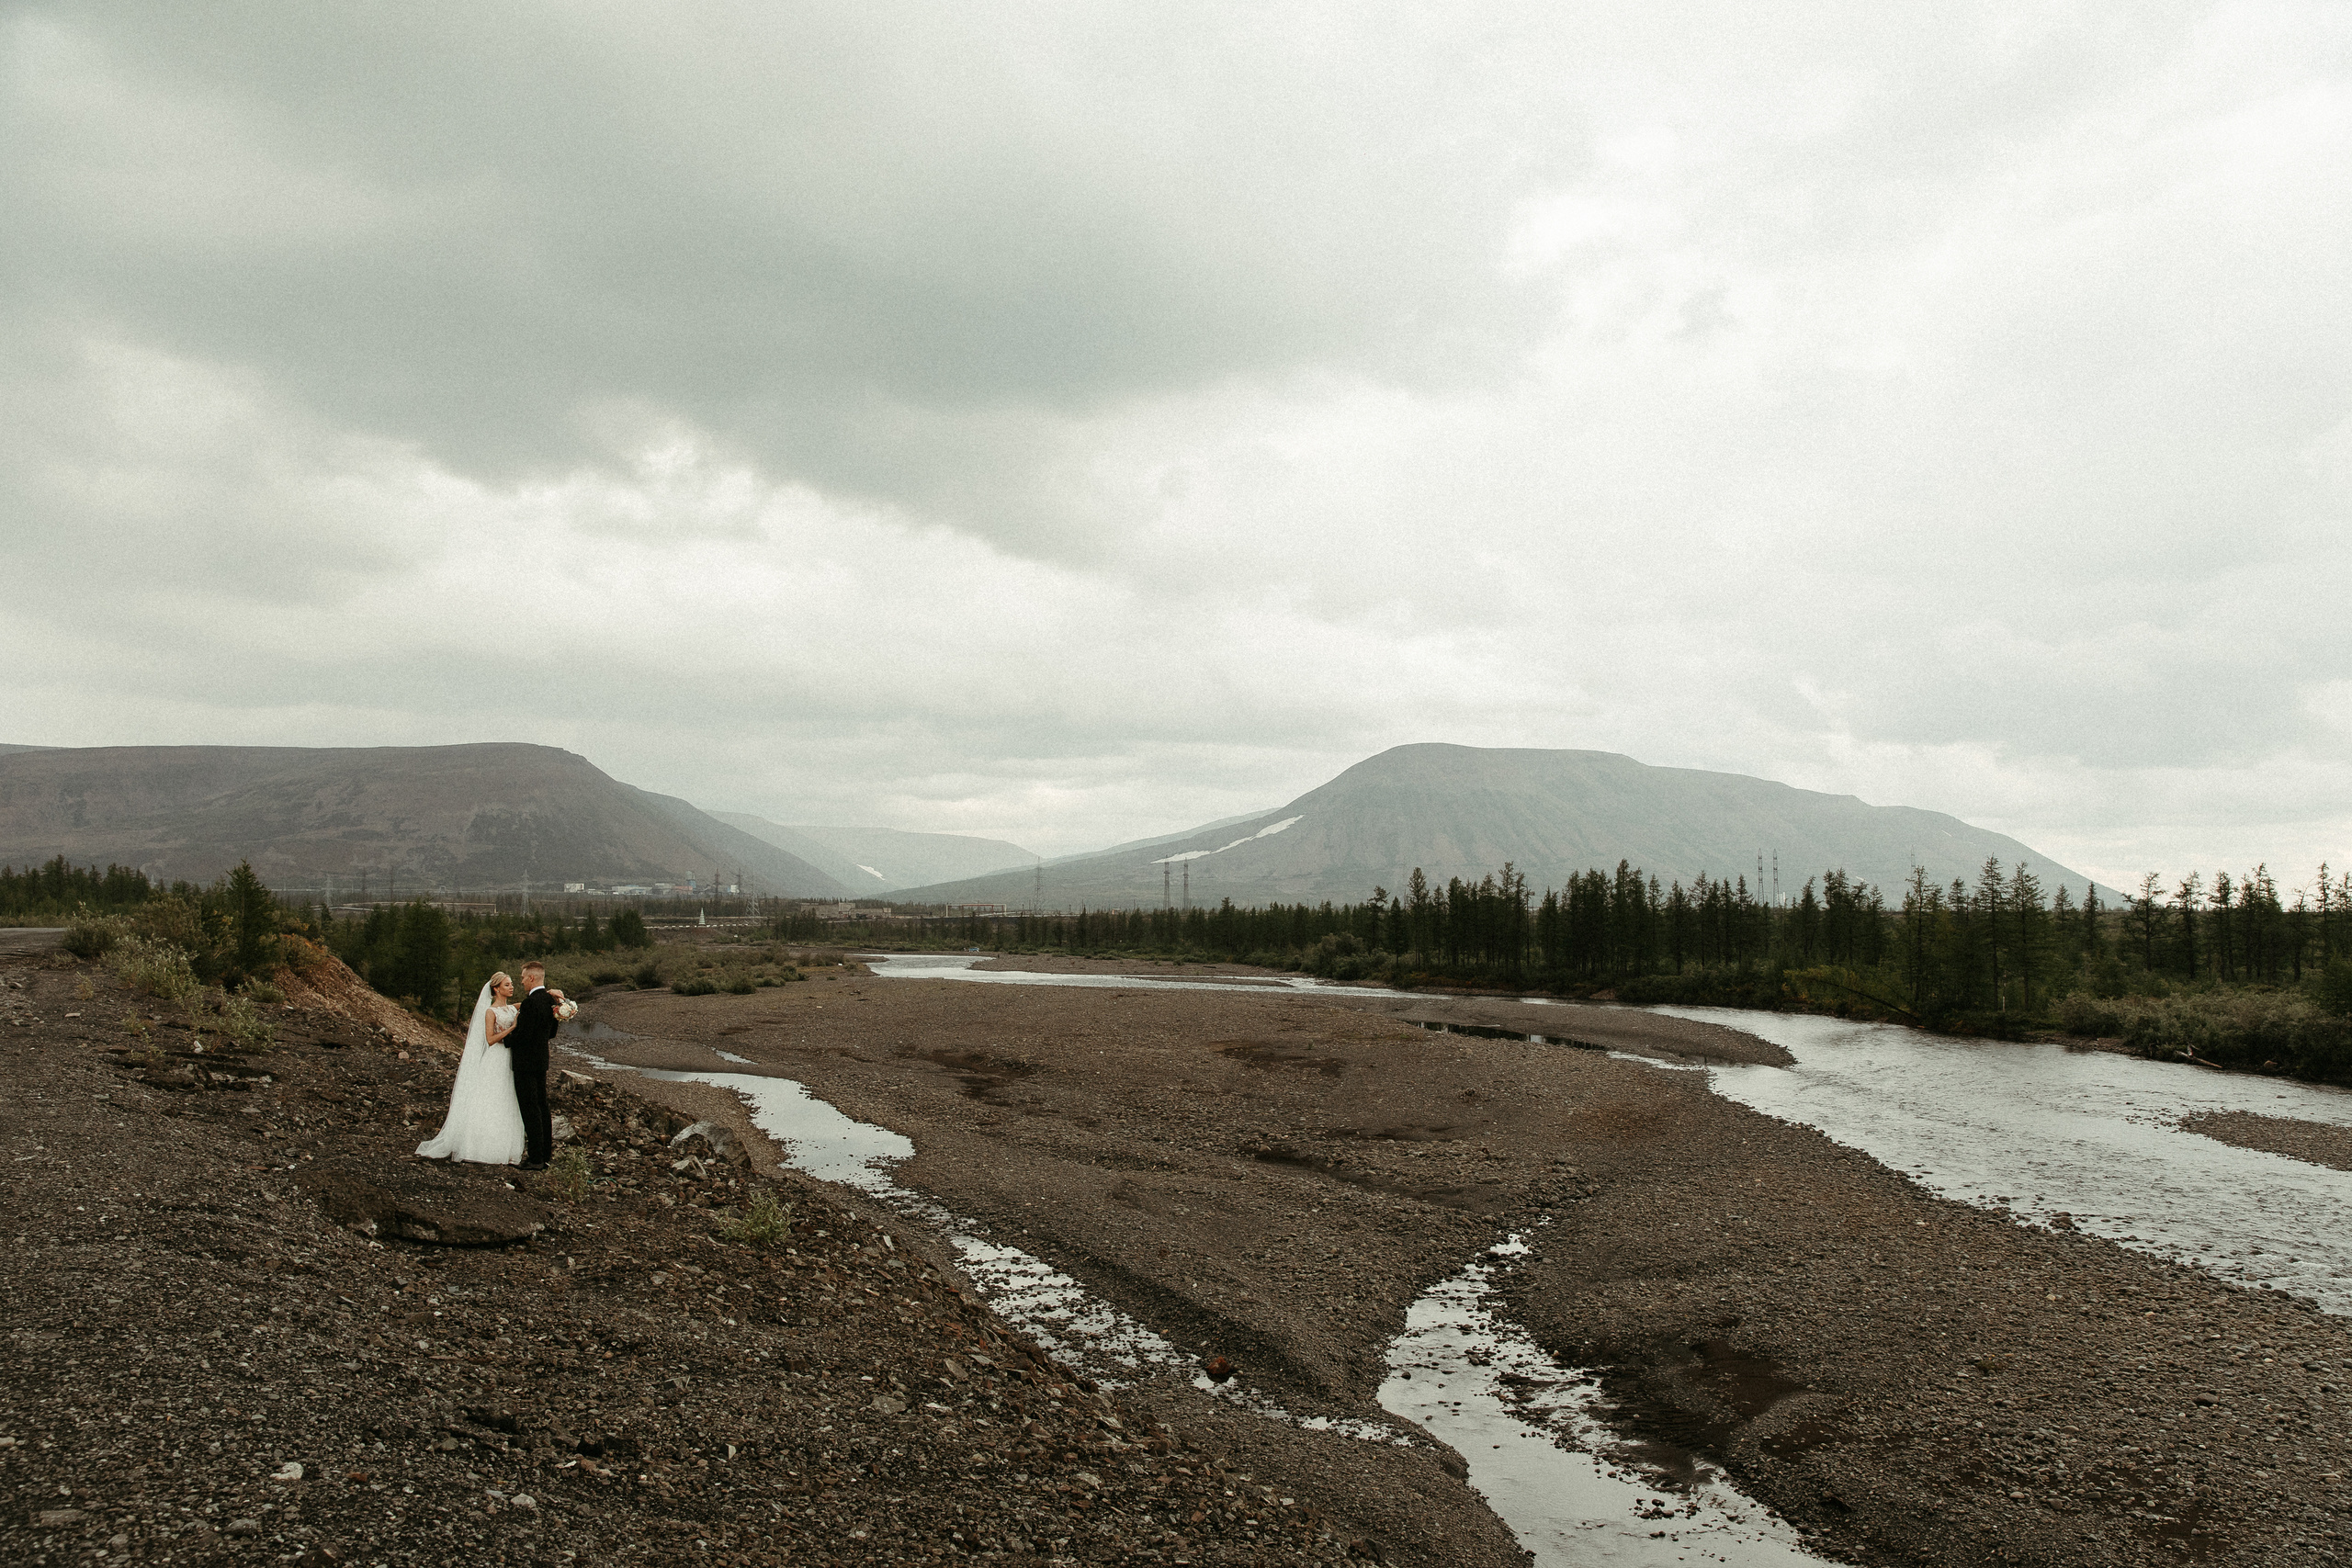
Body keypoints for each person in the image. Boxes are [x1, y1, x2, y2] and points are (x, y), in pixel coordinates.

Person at [414, 972, 526, 1165]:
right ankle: (480, 1147)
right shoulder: (490, 1012)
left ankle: (503, 1145)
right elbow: (490, 1039)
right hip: (496, 1058)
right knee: (491, 1098)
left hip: (510, 1057)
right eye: (507, 985)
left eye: (512, 984)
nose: (512, 987)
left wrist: (551, 994)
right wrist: (512, 1028)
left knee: (507, 1097)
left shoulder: (512, 1008)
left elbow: (531, 1004)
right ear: (496, 989)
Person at [508, 960, 561, 1170]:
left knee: (530, 1109)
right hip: (541, 1060)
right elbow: (552, 1033)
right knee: (542, 1107)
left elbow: (523, 1036)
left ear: (531, 977)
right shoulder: (551, 1001)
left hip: (526, 1062)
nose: (521, 982)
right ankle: (545, 1154)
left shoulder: (530, 1003)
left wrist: (505, 1039)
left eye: (522, 978)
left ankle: (535, 1158)